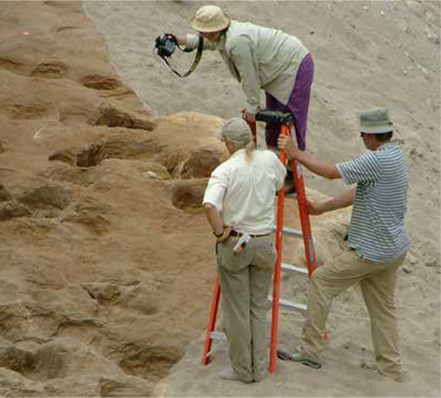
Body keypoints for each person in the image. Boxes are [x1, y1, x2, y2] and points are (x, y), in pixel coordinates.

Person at [277, 108, 410, 382]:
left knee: (321, 281)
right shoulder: (396, 156)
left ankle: (310, 351)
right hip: (393, 249)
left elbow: (330, 173)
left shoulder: (375, 160)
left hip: (371, 251)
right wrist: (324, 208)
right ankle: (390, 369)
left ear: (372, 135)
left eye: (363, 133)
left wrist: (295, 153)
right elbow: (360, 190)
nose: (361, 137)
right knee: (383, 309)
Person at [203, 118, 286, 382]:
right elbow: (279, 186)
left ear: (229, 143)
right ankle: (259, 369)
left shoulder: (225, 170)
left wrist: (219, 234)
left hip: (237, 242)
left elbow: (209, 206)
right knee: (258, 307)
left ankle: (242, 370)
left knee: (238, 311)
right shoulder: (270, 160)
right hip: (264, 241)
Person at [174, 5, 314, 151]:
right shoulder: (224, 33)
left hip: (293, 65)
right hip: (276, 66)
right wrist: (177, 40)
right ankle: (274, 158)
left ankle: (292, 165)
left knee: (288, 119)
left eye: (203, 30)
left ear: (214, 29)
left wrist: (253, 106)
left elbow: (249, 75)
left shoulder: (237, 41)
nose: (200, 33)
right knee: (274, 120)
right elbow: (207, 42)